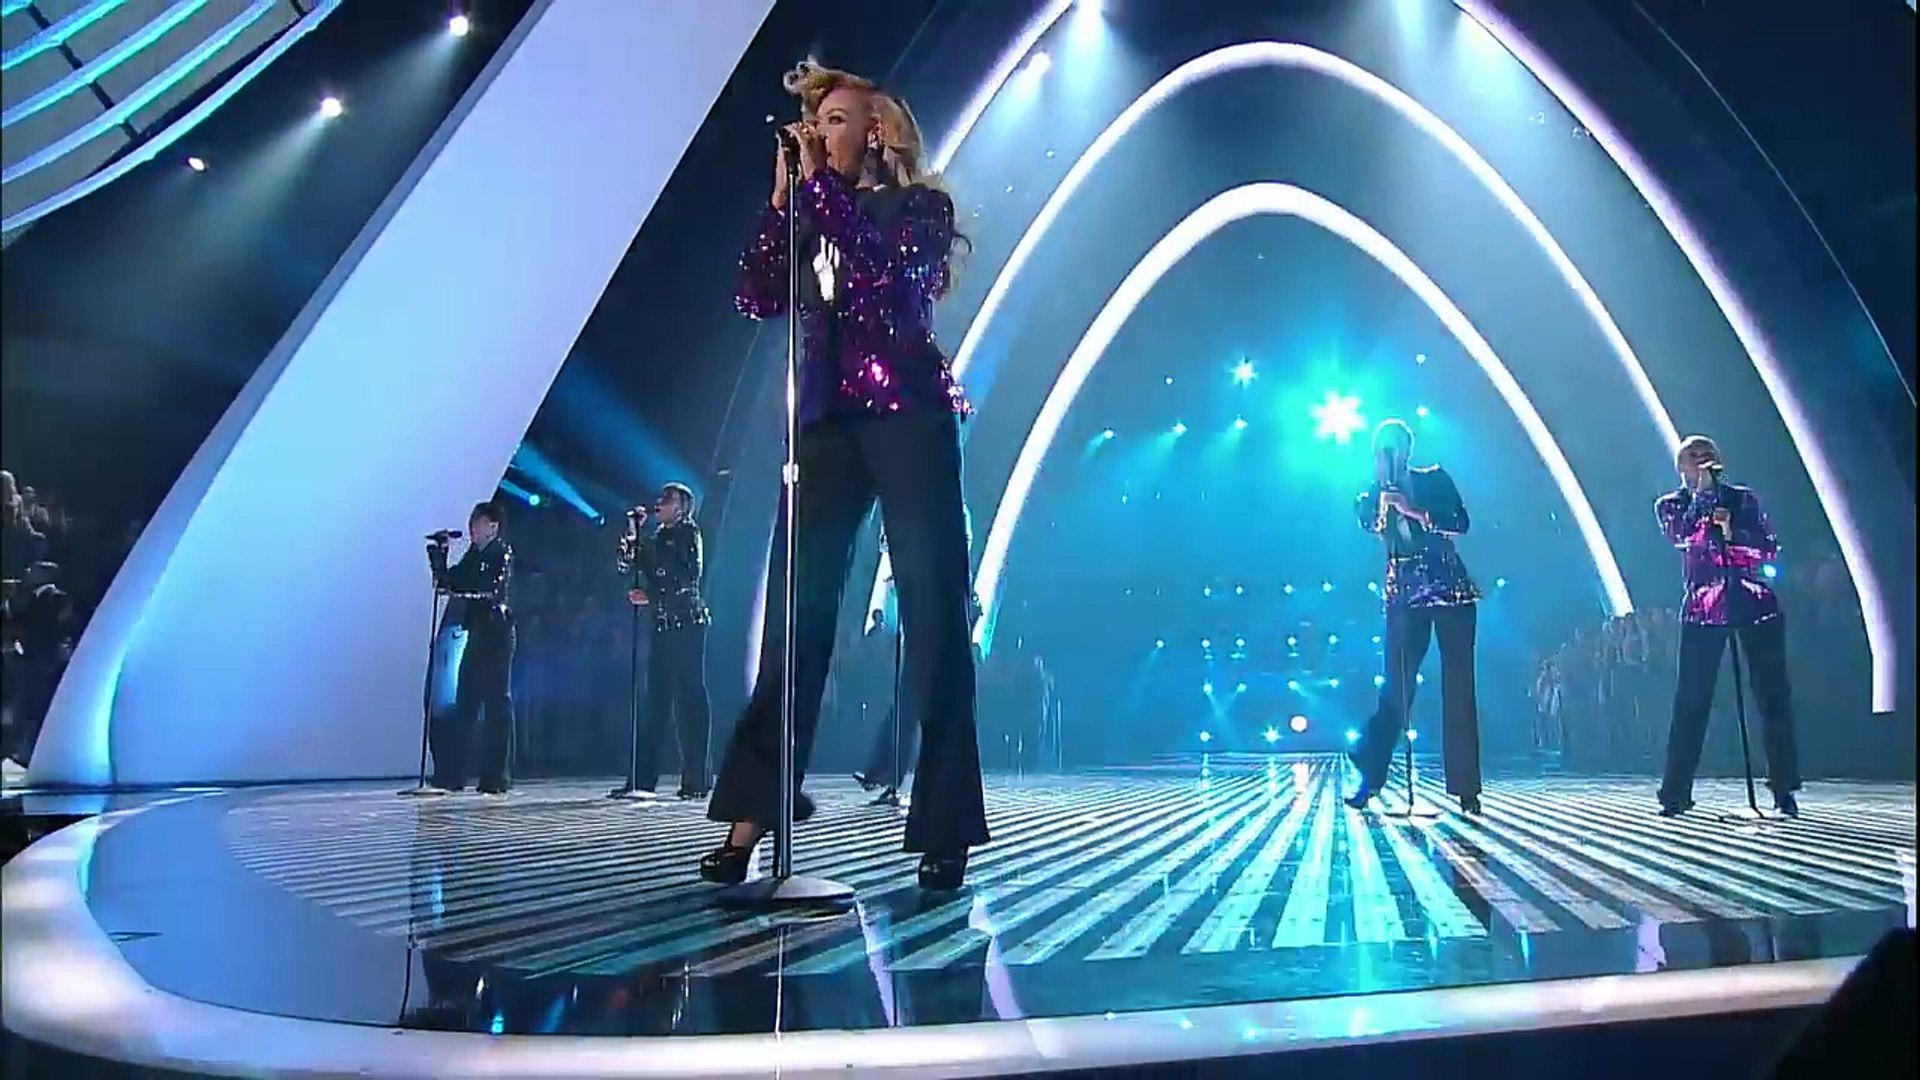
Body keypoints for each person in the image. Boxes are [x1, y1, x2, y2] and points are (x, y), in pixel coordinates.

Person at [702, 61, 986, 892]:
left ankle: (944, 826)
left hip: (910, 417)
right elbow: (757, 295)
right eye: (816, 121)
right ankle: (752, 817)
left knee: (934, 617)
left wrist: (820, 191)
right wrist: (781, 203)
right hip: (827, 427)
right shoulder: (811, 210)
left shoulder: (920, 210)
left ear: (877, 130)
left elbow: (882, 280)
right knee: (796, 621)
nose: (818, 132)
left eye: (834, 119)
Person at [1653, 435, 1800, 817]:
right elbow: (1683, 535)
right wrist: (1704, 497)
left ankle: (1783, 786)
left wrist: (1732, 533)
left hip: (1753, 602)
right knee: (1692, 700)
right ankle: (1675, 791)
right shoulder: (1671, 505)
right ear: (1681, 466)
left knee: (1773, 697)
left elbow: (1767, 547)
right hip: (1703, 608)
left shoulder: (1743, 499)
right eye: (1695, 455)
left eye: (1710, 454)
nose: (1704, 459)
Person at [1346, 419, 1484, 814]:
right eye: (1382, 452)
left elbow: (1460, 522)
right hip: (1405, 599)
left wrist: (1415, 510)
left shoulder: (1435, 479)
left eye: (1395, 450)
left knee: (1458, 689)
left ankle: (1466, 788)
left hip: (1451, 592)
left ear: (1408, 450)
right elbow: (1371, 526)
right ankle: (1371, 775)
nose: (1389, 458)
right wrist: (1385, 502)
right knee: (1396, 689)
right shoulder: (1368, 495)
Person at [618, 482, 713, 799]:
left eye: (667, 499)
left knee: (689, 700)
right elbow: (626, 565)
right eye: (660, 498)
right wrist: (633, 533)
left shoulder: (688, 534)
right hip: (661, 627)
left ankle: (696, 779)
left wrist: (652, 595)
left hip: (687, 624)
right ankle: (642, 779)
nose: (659, 503)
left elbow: (686, 577)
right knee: (654, 703)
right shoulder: (656, 539)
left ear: (682, 506)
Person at [427, 501, 516, 794]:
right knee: (466, 702)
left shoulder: (501, 553)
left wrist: (462, 588)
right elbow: (450, 583)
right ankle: (454, 774)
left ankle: (496, 776)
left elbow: (487, 588)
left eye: (477, 523)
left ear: (493, 526)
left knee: (496, 703)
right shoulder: (473, 555)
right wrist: (440, 558)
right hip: (476, 632)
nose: (472, 528)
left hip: (497, 634)